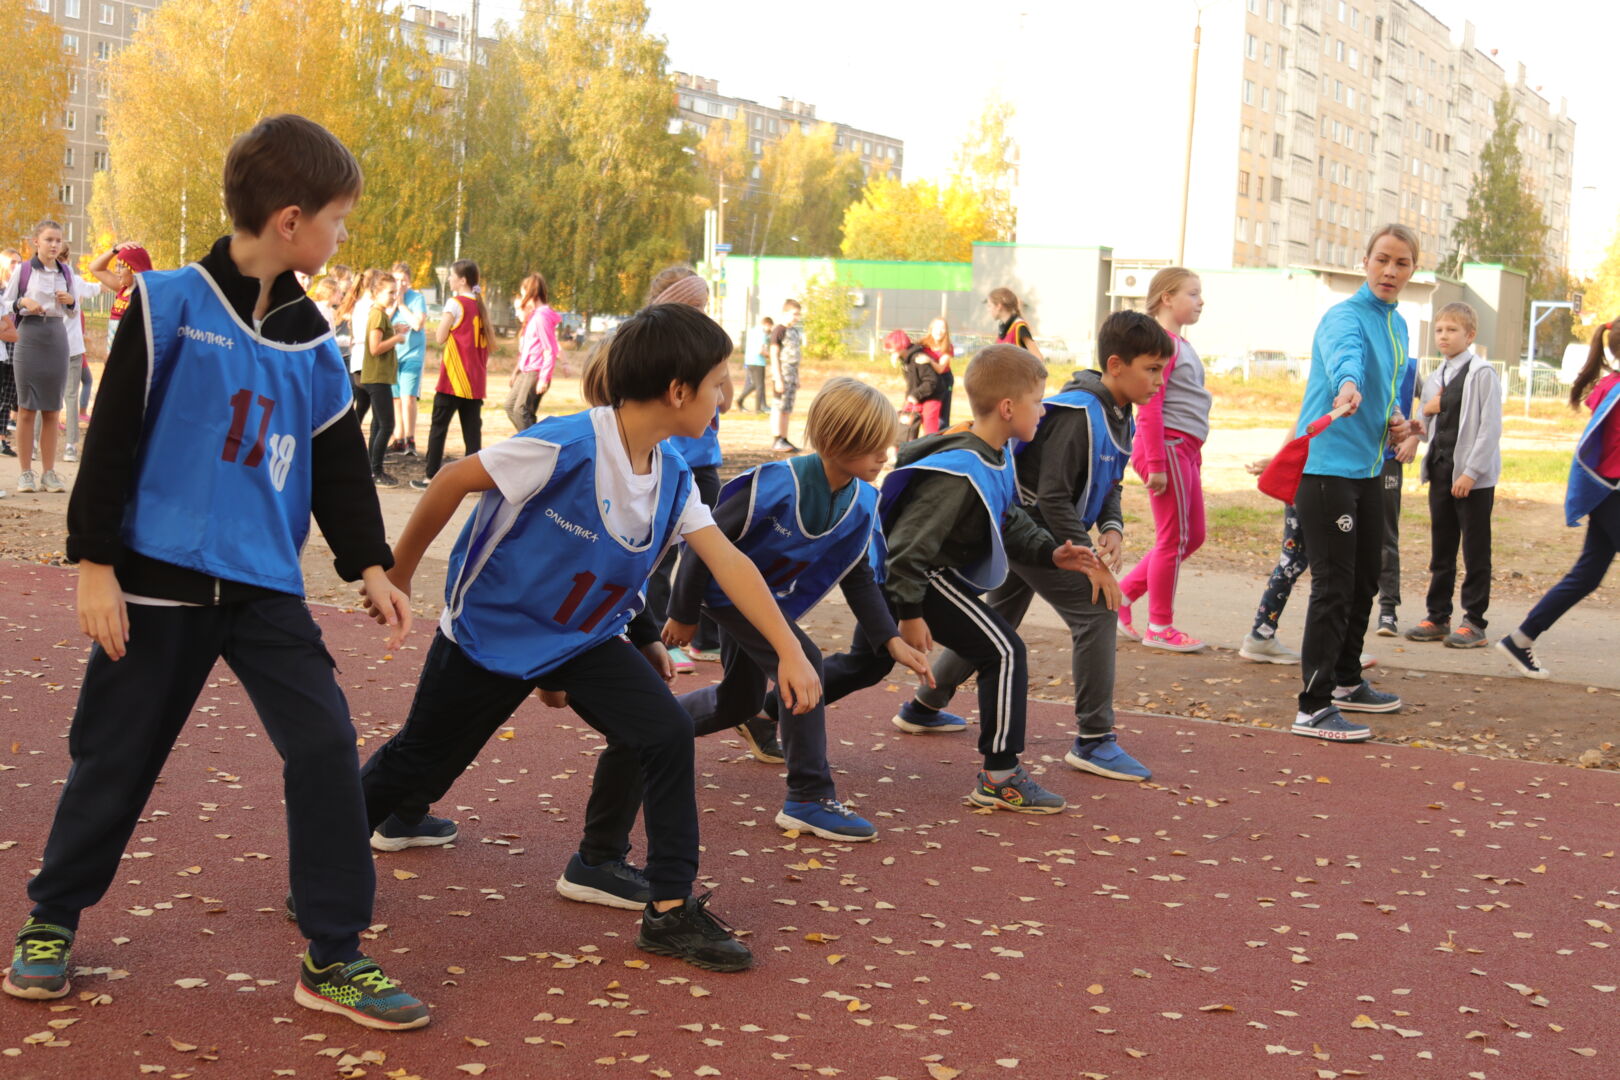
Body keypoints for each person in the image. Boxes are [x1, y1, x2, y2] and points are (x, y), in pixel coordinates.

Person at [2, 115, 428, 1029]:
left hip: (265, 588)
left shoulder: (314, 341)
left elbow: (338, 464)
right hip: (155, 582)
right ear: (290, 220)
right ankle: (52, 918)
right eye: (338, 220)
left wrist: (370, 564)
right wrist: (94, 565)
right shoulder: (167, 304)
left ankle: (335, 953)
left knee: (324, 746)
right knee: (114, 756)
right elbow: (111, 441)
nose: (341, 236)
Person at [354, 303, 820, 973]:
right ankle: (330, 863)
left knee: (663, 731)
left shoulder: (672, 475)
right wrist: (396, 575)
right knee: (419, 763)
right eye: (718, 384)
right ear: (677, 391)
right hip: (493, 632)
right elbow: (454, 479)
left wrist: (787, 650)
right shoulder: (566, 444)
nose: (724, 398)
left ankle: (667, 907)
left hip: (580, 638)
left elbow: (723, 562)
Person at [665, 377, 932, 840]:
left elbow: (857, 573)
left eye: (885, 446)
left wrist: (889, 639)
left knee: (740, 702)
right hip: (727, 595)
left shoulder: (862, 501)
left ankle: (650, 726)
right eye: (873, 448)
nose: (884, 457)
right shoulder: (772, 486)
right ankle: (808, 796)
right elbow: (702, 546)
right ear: (837, 443)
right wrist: (683, 613)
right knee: (803, 661)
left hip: (767, 605)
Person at [917, 312, 1169, 783]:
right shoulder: (1080, 414)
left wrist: (1112, 527)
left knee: (999, 619)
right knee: (1098, 609)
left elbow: (1111, 480)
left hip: (1045, 530)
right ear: (1116, 365)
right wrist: (1090, 562)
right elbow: (1052, 497)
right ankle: (1094, 739)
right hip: (1029, 530)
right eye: (1151, 369)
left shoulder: (1120, 413)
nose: (1159, 380)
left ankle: (924, 703)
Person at [879, 344, 1101, 812]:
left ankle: (766, 713)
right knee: (1003, 650)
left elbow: (1008, 517)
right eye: (1038, 402)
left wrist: (1050, 551)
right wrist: (910, 612)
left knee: (865, 665)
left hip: (920, 576)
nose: (1043, 411)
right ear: (1008, 408)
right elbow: (906, 550)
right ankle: (1000, 776)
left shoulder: (996, 453)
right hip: (918, 577)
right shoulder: (961, 469)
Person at [1288, 225, 1418, 742]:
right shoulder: (1343, 316)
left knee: (1367, 577)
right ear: (1365, 262)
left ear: (1412, 270)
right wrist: (1346, 386)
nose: (1390, 270)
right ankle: (1312, 706)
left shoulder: (1398, 324)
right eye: (1382, 259)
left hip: (1367, 470)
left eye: (1401, 263)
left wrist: (1398, 420)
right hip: (1326, 470)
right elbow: (1349, 360)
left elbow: (1389, 392)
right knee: (1334, 586)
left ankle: (1346, 680)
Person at [1497, 322, 1620, 679]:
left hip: (1606, 494)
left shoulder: (1610, 386)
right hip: (1612, 493)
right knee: (1586, 574)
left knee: (1587, 575)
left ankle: (1520, 639)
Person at [1116, 268, 1212, 651]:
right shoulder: (1162, 346)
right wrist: (1156, 463)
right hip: (1166, 448)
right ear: (1167, 298)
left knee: (1193, 535)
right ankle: (1159, 626)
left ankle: (1123, 595)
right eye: (1193, 293)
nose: (1201, 301)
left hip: (1183, 450)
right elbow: (1150, 406)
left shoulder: (1178, 343)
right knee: (1172, 538)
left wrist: (1194, 455)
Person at [641, 267, 730, 669]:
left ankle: (704, 635)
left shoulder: (709, 344)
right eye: (694, 306)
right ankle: (659, 635)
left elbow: (725, 400)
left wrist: (719, 363)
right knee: (662, 553)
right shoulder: (654, 349)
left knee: (712, 547)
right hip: (666, 460)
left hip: (704, 461)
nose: (701, 313)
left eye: (704, 305)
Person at [1404, 302, 1501, 648]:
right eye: (1439, 330)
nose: (1444, 336)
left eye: (1452, 330)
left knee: (1475, 550)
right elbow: (1425, 421)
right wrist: (1416, 431)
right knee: (1442, 548)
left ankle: (1474, 621)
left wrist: (1471, 472)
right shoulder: (1436, 376)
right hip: (1442, 470)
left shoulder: (1482, 374)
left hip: (1471, 477)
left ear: (1470, 335)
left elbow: (1490, 428)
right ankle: (1437, 616)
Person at [1, 220, 77, 494]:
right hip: (29, 336)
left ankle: (49, 473)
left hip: (56, 336)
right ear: (36, 242)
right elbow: (5, 303)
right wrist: (22, 302)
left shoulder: (66, 271)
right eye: (49, 240)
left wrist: (70, 301)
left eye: (58, 240)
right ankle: (25, 473)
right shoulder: (23, 270)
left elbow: (73, 311)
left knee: (52, 409)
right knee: (26, 409)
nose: (54, 245)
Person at [412, 259, 488, 490]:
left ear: (462, 280)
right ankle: (475, 480)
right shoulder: (481, 305)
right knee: (472, 433)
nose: (450, 280)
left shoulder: (455, 303)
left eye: (452, 276)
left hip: (455, 378)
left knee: (439, 428)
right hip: (475, 379)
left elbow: (440, 336)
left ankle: (431, 476)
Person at [1373, 332, 1421, 637]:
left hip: (1389, 460)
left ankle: (1388, 610)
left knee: (1386, 535)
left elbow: (1434, 404)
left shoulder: (1412, 368)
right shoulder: (1360, 362)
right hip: (1357, 458)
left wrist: (1415, 437)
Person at [55, 246, 102, 465]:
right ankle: (67, 445)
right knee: (67, 395)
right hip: (61, 346)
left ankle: (64, 444)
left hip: (66, 346)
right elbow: (96, 288)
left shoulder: (71, 280)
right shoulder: (72, 280)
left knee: (60, 395)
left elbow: (95, 289)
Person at [362, 275, 409, 485]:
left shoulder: (379, 314)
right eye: (390, 292)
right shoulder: (378, 315)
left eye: (395, 292)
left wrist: (395, 331)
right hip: (377, 377)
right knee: (387, 425)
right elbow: (375, 348)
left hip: (378, 377)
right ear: (377, 293)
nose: (393, 296)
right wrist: (397, 338)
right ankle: (376, 471)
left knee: (378, 425)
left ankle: (371, 470)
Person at [503, 271, 560, 432]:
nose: (523, 299)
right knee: (510, 406)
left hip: (536, 370)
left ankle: (535, 444)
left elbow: (550, 349)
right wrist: (517, 371)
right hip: (526, 370)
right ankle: (528, 440)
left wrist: (543, 378)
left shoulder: (542, 317)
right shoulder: (535, 317)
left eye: (524, 294)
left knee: (521, 411)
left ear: (531, 294)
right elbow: (528, 348)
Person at [388, 262, 428, 456]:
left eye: (404, 280)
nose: (400, 284)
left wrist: (402, 304)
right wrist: (394, 304)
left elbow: (418, 324)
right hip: (392, 355)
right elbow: (382, 323)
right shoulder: (388, 298)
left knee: (408, 397)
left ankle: (410, 439)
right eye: (396, 280)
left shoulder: (417, 298)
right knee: (396, 399)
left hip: (412, 354)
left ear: (409, 281)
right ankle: (399, 438)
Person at [885, 329, 940, 442]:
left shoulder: (918, 358)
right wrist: (909, 398)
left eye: (891, 348)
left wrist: (915, 395)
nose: (889, 351)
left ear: (899, 346)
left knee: (930, 430)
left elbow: (931, 381)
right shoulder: (906, 359)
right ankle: (907, 447)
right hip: (918, 396)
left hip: (932, 396)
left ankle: (933, 449)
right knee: (905, 425)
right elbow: (912, 382)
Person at [769, 298, 803, 453]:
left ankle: (784, 437)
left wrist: (797, 377)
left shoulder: (794, 331)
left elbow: (795, 357)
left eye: (798, 314)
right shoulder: (779, 330)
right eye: (794, 314)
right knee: (778, 406)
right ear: (785, 313)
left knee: (787, 408)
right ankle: (777, 438)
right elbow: (774, 354)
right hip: (782, 374)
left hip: (792, 375)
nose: (796, 317)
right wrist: (778, 378)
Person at [919, 316, 956, 428]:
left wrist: (929, 360)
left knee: (942, 416)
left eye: (942, 328)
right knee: (924, 411)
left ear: (946, 331)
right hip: (928, 380)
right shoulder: (922, 344)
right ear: (931, 329)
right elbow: (909, 350)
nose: (939, 331)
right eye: (936, 328)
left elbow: (940, 368)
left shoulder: (948, 347)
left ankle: (941, 435)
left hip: (944, 380)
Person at [0, 248, 20, 460]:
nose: (16, 266)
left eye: (18, 262)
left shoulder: (21, 290)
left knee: (9, 395)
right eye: (12, 262)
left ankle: (2, 438)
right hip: (2, 347)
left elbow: (11, 328)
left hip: (14, 347)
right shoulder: (2, 291)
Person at [989, 287, 1043, 361]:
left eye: (989, 306)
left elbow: (1039, 358)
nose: (988, 310)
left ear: (999, 306)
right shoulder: (1003, 329)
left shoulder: (1019, 327)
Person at [736, 314, 773, 413]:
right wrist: (772, 356)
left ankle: (744, 401)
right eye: (770, 327)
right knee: (759, 385)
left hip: (749, 361)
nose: (770, 329)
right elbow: (761, 350)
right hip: (758, 362)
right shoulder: (762, 334)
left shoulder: (753, 331)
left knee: (756, 384)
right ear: (767, 324)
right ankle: (758, 408)